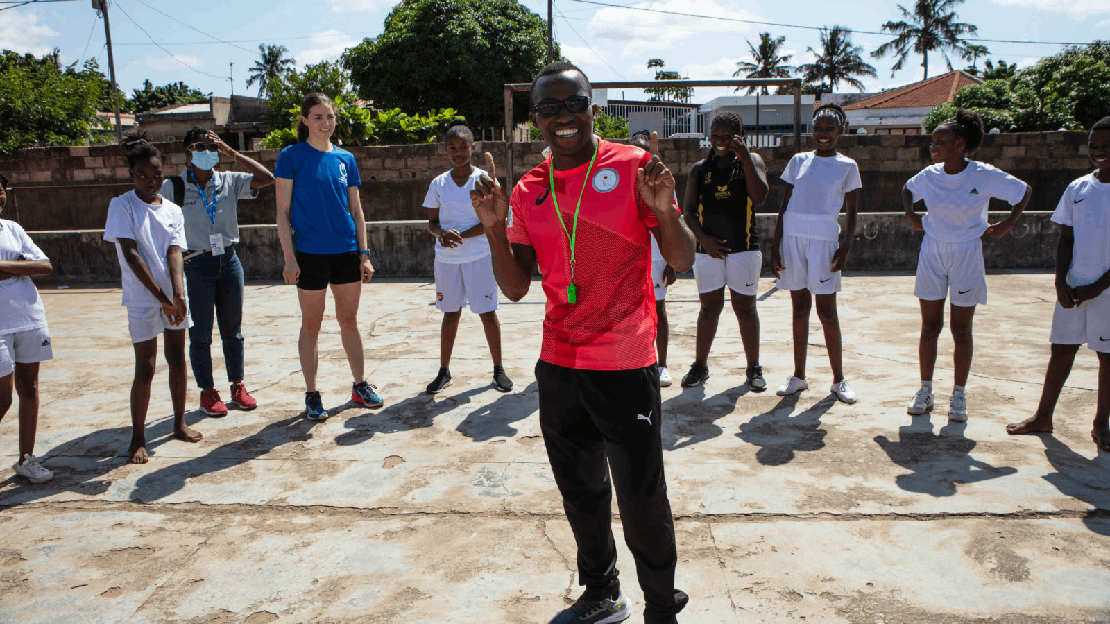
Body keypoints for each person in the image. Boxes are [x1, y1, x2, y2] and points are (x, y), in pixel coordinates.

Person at [471, 61, 695, 624]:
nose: (565, 117)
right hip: (560, 363)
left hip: (624, 361)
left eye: (575, 103)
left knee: (641, 492)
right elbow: (517, 287)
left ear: (593, 107)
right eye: (551, 107)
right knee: (581, 490)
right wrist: (496, 228)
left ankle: (661, 605)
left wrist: (666, 211)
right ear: (536, 120)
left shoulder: (634, 165)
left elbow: (682, 257)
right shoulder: (529, 188)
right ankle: (602, 593)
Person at [903, 109, 1031, 421]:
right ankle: (925, 389)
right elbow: (907, 190)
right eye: (932, 143)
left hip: (967, 253)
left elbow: (1023, 191)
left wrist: (1006, 225)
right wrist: (912, 216)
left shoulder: (982, 174)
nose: (933, 148)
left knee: (961, 328)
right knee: (930, 326)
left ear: (960, 144)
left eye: (940, 142)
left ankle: (959, 394)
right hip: (933, 251)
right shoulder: (929, 176)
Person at [275, 93, 384, 420]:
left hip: (347, 252)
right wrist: (289, 258)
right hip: (309, 254)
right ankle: (311, 393)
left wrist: (364, 254)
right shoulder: (291, 156)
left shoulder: (345, 159)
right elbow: (282, 212)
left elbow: (357, 210)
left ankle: (359, 385)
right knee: (312, 324)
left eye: (330, 116)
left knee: (349, 320)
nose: (326, 122)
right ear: (305, 120)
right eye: (318, 116)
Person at [1006, 116, 1110, 451]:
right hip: (1074, 285)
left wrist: (1098, 287)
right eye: (1094, 146)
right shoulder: (1078, 188)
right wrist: (1060, 282)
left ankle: (1100, 425)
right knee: (1062, 350)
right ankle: (1043, 417)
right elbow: (1065, 239)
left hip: (1106, 291)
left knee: (1107, 356)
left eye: (1106, 146)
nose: (1099, 152)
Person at [104, 135, 204, 464]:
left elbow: (175, 252)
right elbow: (131, 253)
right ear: (132, 174)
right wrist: (161, 297)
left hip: (171, 297)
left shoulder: (173, 210)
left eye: (157, 174)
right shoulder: (122, 206)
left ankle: (178, 423)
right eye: (143, 175)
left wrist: (177, 294)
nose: (151, 181)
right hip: (142, 297)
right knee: (145, 367)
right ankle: (137, 437)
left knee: (178, 358)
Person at [163, 127, 274, 416]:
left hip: (229, 260)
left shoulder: (229, 181)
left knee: (233, 331)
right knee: (200, 333)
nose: (206, 152)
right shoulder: (173, 187)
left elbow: (267, 178)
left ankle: (237, 384)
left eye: (211, 146)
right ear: (187, 152)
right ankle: (208, 390)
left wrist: (231, 152)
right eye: (199, 147)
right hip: (195, 264)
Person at [771, 104, 861, 404]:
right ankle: (799, 375)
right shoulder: (798, 161)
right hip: (793, 239)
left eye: (830, 128)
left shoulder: (847, 166)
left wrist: (846, 246)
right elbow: (784, 204)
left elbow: (851, 212)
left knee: (826, 311)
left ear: (840, 132)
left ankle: (839, 379)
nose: (823, 134)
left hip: (824, 240)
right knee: (799, 307)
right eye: (819, 128)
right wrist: (775, 244)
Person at [680, 111, 770, 390]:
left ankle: (753, 368)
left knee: (745, 309)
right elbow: (688, 211)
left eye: (727, 136)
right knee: (709, 308)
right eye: (716, 135)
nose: (720, 141)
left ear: (739, 136)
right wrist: (703, 240)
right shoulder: (699, 169)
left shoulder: (751, 161)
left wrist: (744, 157)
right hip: (708, 252)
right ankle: (700, 366)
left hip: (743, 248)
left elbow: (760, 197)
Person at [424, 119, 513, 394]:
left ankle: (499, 370)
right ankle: (444, 371)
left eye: (463, 146)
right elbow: (432, 223)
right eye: (452, 147)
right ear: (446, 150)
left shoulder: (483, 181)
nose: (458, 152)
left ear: (472, 147)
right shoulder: (438, 183)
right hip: (447, 261)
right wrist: (442, 235)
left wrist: (462, 235)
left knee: (487, 313)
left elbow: (495, 219)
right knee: (450, 315)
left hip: (478, 258)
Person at [0, 172, 55, 482]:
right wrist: (20, 265)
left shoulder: (12, 229)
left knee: (29, 387)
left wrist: (3, 267)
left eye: (0, 190)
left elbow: (45, 265)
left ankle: (26, 459)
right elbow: (31, 265)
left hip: (29, 317)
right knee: (3, 398)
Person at [631, 130, 678, 387]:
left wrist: (670, 263)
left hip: (657, 258)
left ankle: (662, 366)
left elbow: (673, 223)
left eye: (644, 153)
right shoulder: (620, 182)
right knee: (630, 313)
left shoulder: (664, 181)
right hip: (629, 258)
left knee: (658, 311)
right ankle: (635, 362)